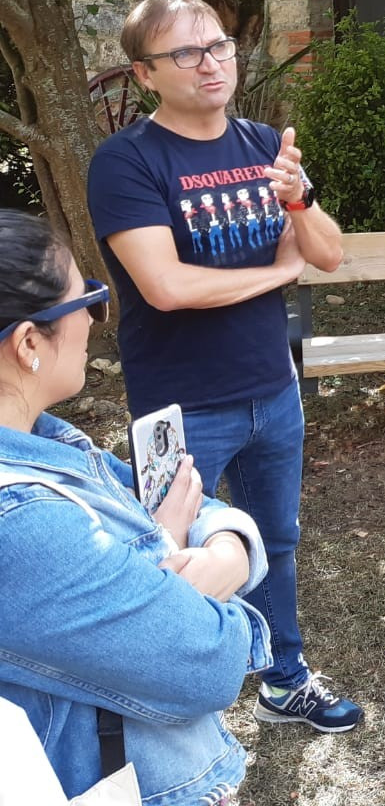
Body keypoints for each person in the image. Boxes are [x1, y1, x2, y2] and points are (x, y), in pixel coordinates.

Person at [86, 0, 362, 732]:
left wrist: (298, 203)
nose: (209, 64)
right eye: (184, 53)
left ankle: (283, 679)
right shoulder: (125, 163)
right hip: (181, 404)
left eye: (217, 47)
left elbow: (329, 256)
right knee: (169, 553)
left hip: (272, 391)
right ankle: (175, 703)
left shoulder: (264, 143)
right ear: (145, 74)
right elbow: (167, 287)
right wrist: (277, 273)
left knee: (274, 543)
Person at [0, 209, 272, 804]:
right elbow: (207, 663)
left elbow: (189, 502)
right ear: (28, 342)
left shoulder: (45, 439)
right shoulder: (20, 521)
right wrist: (171, 545)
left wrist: (228, 548)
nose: (97, 320)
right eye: (89, 300)